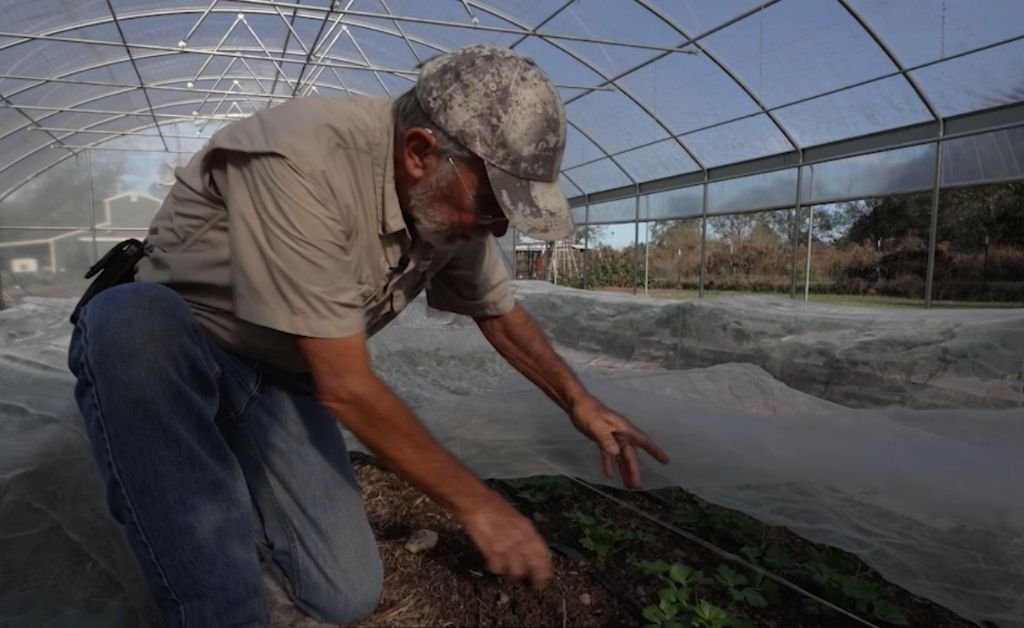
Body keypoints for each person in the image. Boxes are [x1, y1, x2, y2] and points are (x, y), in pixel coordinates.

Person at [67, 44, 668, 628]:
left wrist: (579, 401)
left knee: (345, 592)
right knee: (133, 322)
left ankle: (224, 474)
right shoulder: (304, 158)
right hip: (183, 350)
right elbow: (349, 387)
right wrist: (480, 505)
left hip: (278, 378)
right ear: (418, 152)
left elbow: (498, 313)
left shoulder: (447, 208)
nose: (501, 225)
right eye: (492, 202)